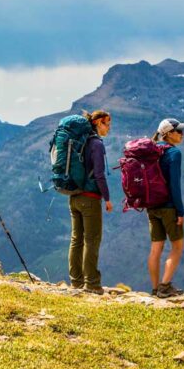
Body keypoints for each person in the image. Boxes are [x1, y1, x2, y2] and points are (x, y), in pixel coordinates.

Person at [69, 110, 113, 294]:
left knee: (76, 240)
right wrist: (107, 198)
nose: (108, 128)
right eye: (107, 124)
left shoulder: (80, 142)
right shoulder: (96, 144)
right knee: (92, 240)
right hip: (90, 198)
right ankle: (92, 284)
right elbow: (99, 174)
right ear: (97, 123)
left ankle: (76, 281)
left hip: (74, 196)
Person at [148, 118, 184, 298]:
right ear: (169, 134)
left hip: (152, 206)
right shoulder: (174, 153)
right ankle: (165, 287)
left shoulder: (153, 151)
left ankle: (155, 288)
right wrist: (180, 211)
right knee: (177, 246)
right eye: (179, 131)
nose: (182, 134)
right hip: (168, 207)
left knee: (156, 248)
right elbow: (174, 185)